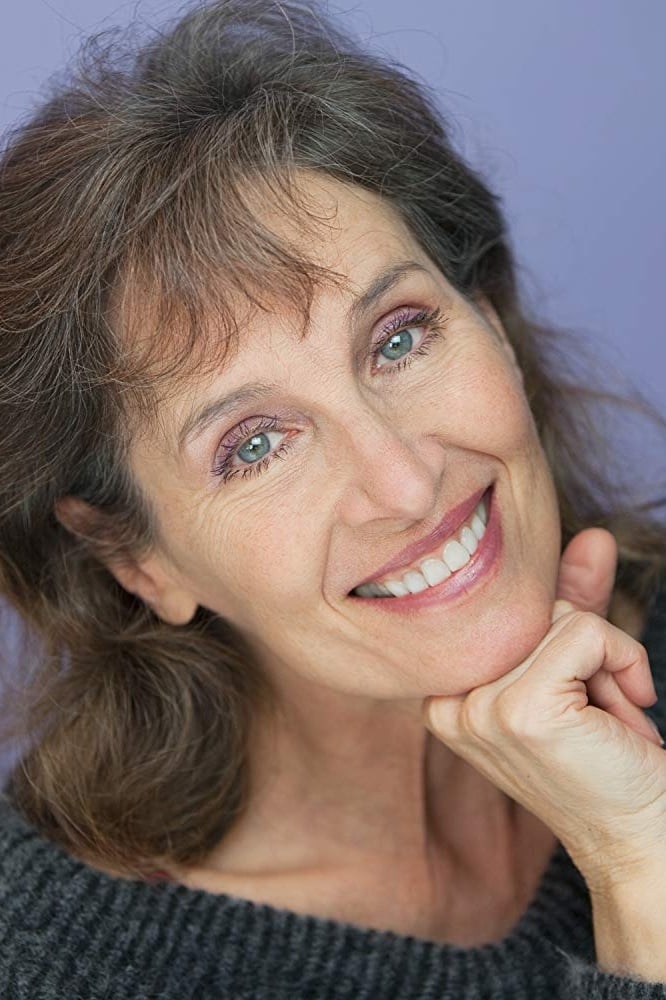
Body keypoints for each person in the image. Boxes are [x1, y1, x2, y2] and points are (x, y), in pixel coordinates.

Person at [0, 1, 665, 996]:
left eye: (398, 338)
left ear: (487, 316)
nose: (404, 482)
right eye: (254, 445)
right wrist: (637, 864)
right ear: (137, 558)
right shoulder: (57, 966)